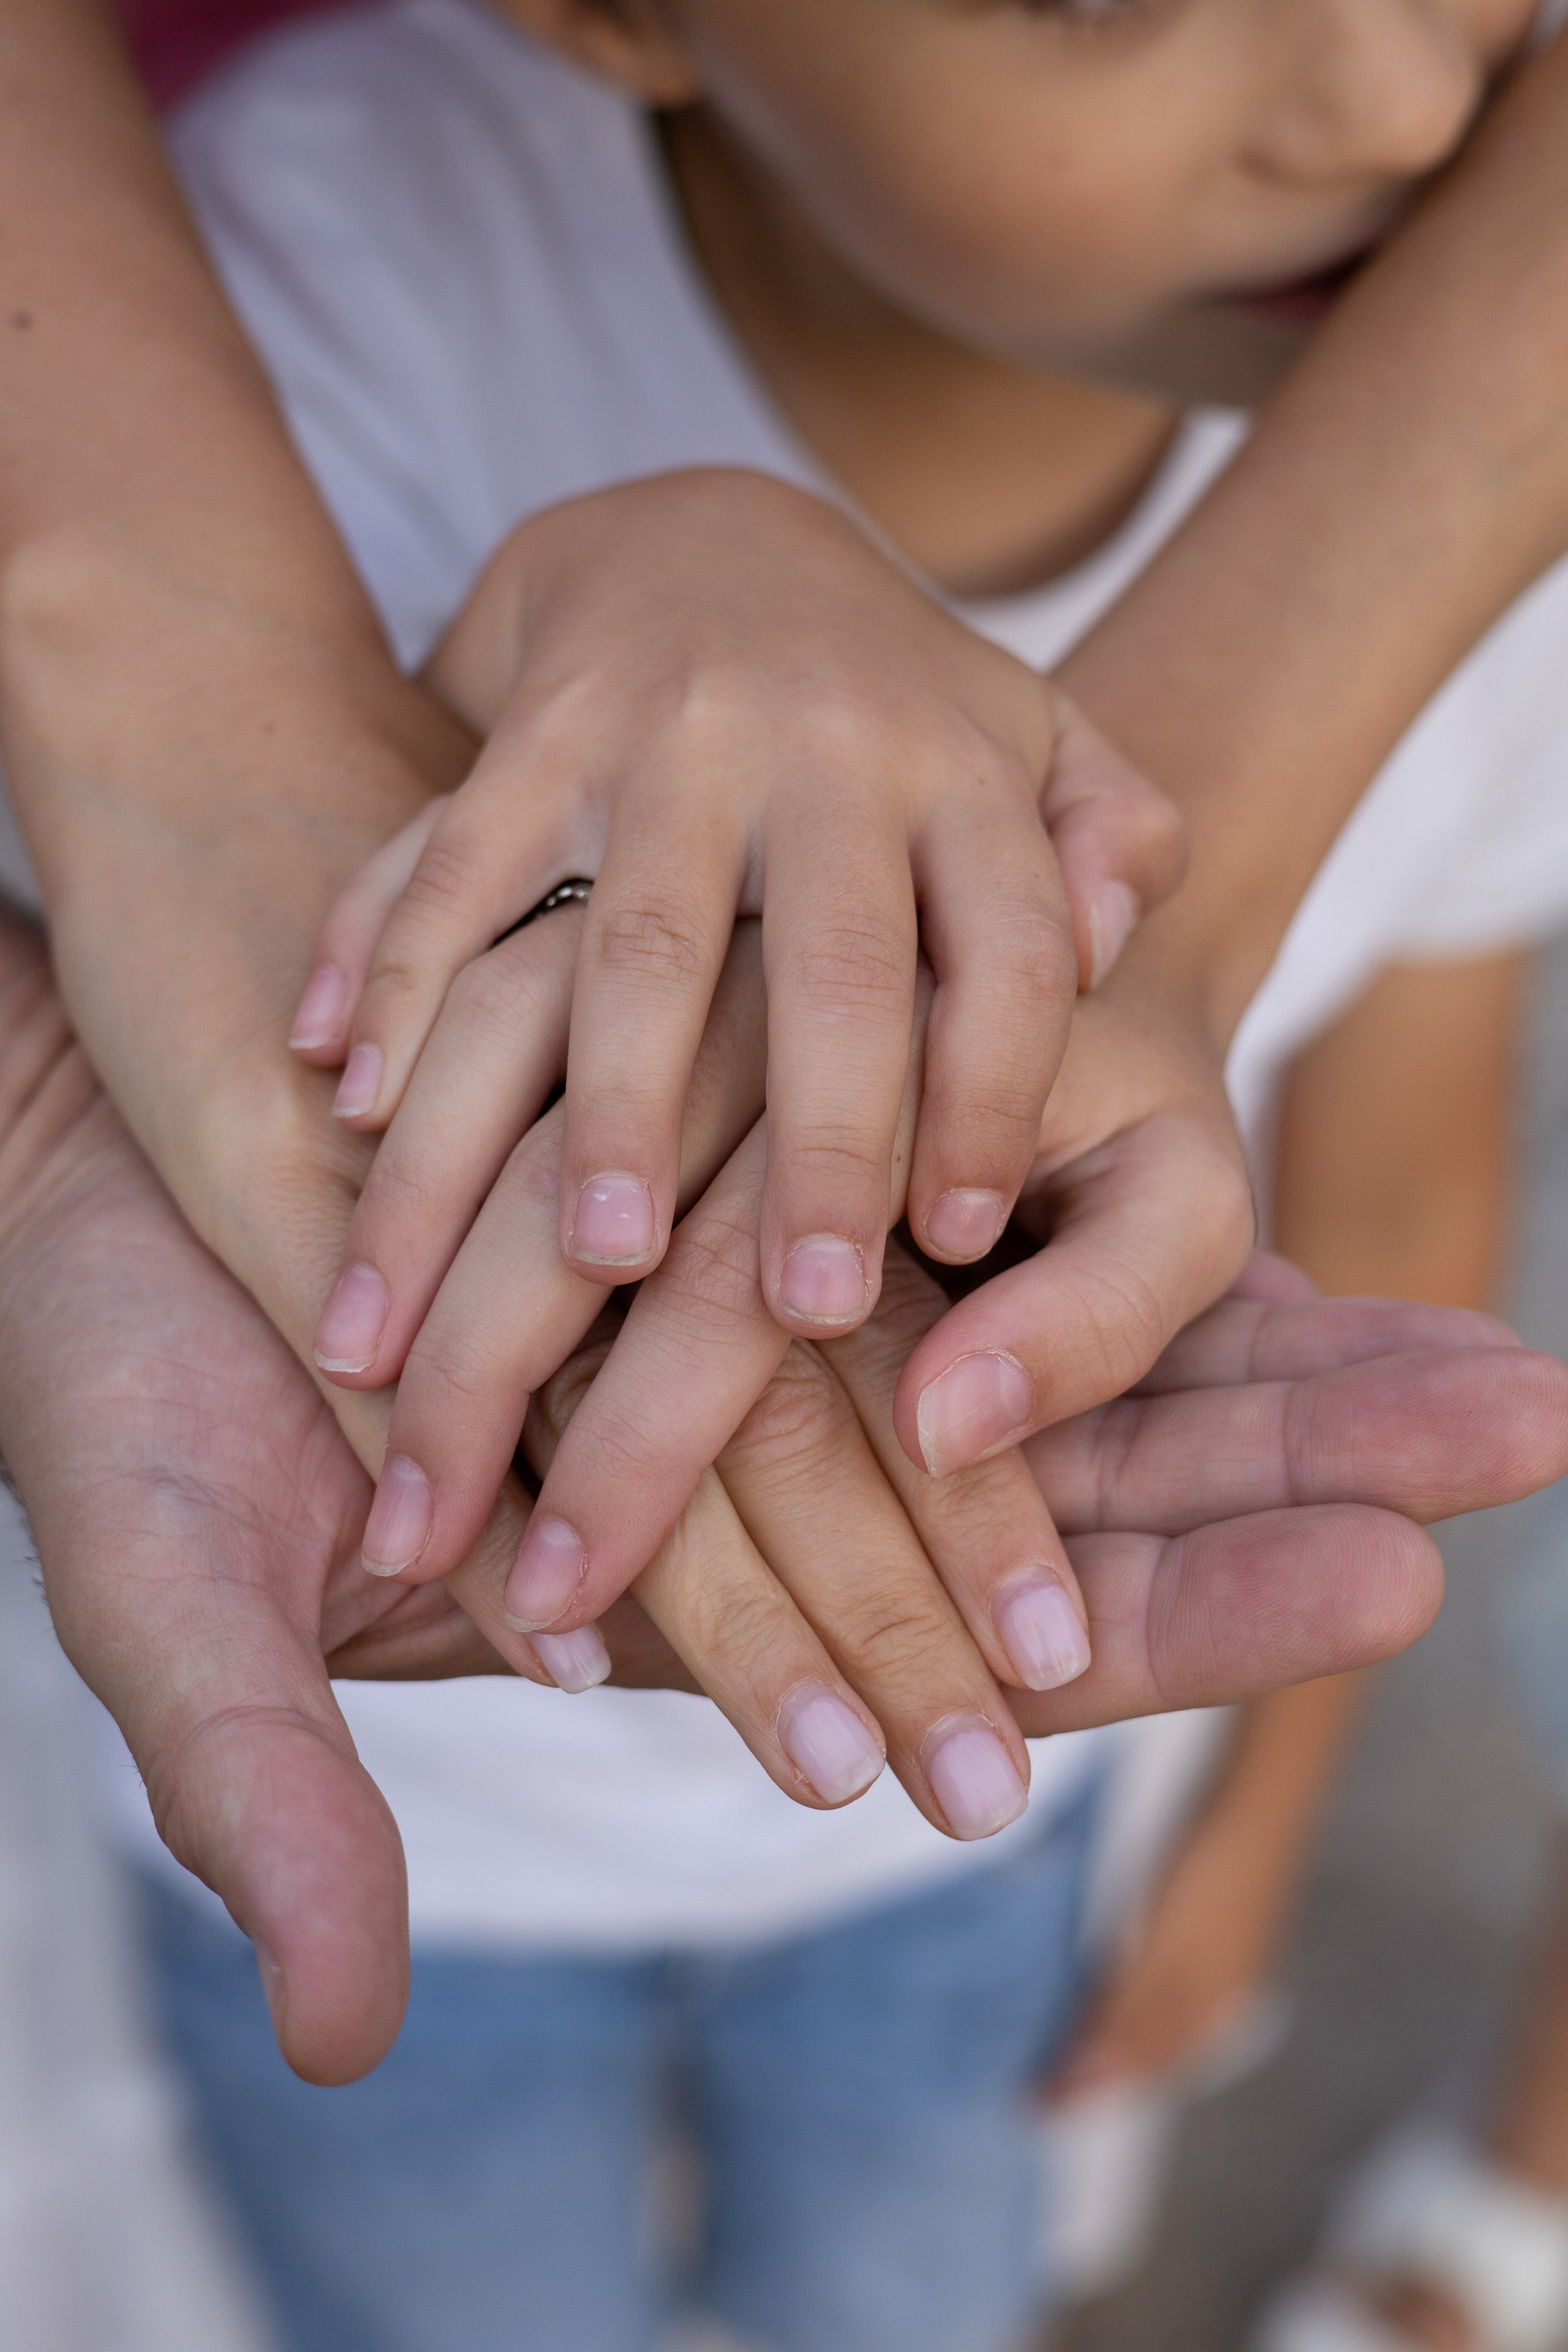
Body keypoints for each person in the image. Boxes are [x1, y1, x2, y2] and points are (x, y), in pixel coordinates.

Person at [10, 4, 1551, 2348]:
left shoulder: (1492, 606)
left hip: (972, 1841)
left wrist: (1260, 1822)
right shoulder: (282, 292)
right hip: (436, 1849)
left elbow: (1414, 1156)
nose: (1402, 104)